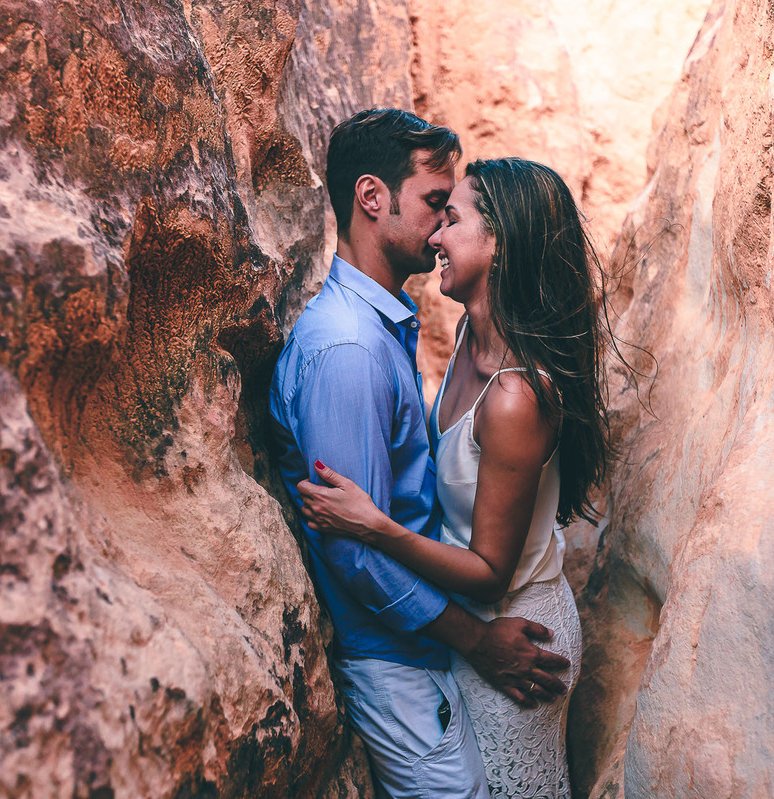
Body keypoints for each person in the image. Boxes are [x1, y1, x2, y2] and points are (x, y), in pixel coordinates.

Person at [270, 112, 571, 798]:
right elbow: (358, 554)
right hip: (399, 659)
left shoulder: (392, 329)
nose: (440, 231)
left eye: (450, 214)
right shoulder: (349, 351)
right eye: (436, 205)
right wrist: (475, 639)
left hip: (438, 641)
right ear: (373, 198)